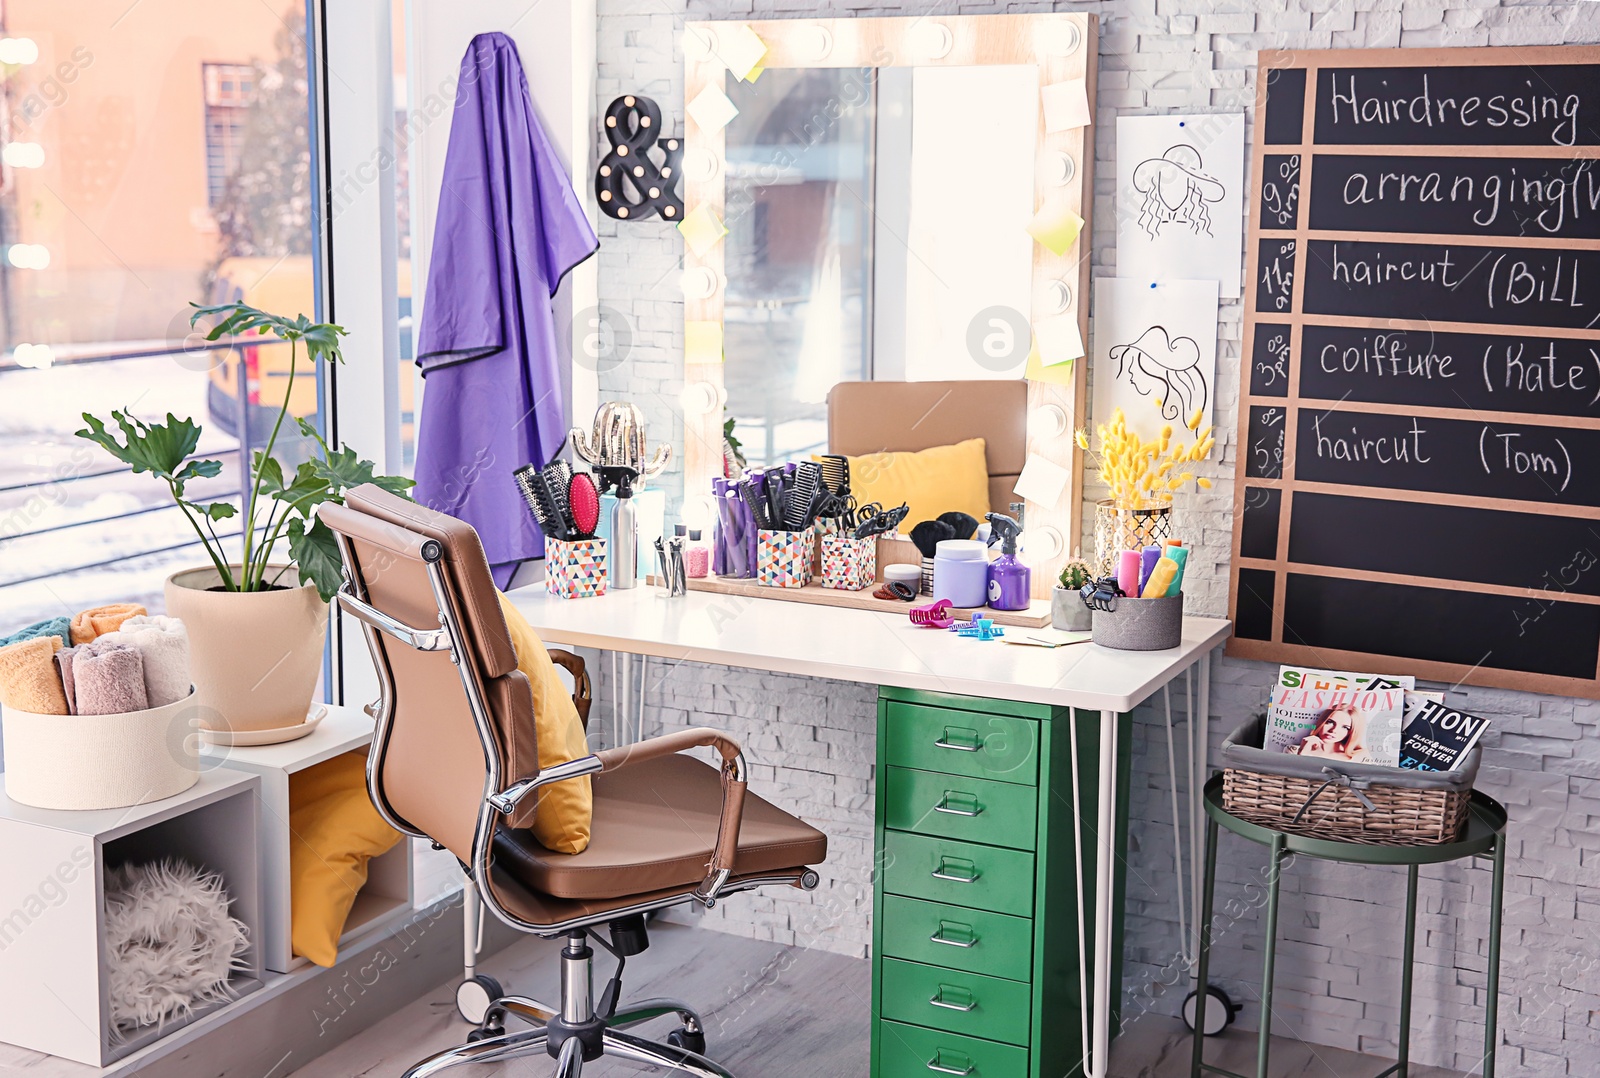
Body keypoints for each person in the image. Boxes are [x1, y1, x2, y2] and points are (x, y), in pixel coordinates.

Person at [1293, 703, 1365, 762]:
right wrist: (1303, 753)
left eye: (1345, 727)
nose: (1333, 730)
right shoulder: (1293, 750)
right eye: (1330, 722)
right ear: (1322, 722)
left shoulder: (1359, 758)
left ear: (1351, 732)